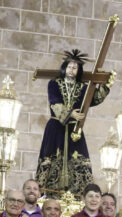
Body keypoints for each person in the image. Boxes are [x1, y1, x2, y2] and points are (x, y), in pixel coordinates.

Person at [36, 49, 111, 195]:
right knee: (51, 157)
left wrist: (105, 85)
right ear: (64, 68)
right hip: (56, 126)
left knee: (77, 158)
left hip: (74, 129)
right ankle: (49, 192)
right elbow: (54, 102)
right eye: (69, 67)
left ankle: (77, 194)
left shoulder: (82, 87)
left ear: (79, 70)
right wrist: (70, 114)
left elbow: (92, 100)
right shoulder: (54, 83)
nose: (71, 70)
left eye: (75, 68)